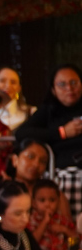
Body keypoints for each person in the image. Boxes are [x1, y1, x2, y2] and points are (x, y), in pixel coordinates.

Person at [15, 64, 82, 216]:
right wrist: (62, 132)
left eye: (74, 83)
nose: (69, 88)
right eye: (62, 84)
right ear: (53, 89)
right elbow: (21, 133)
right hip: (61, 175)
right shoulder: (49, 110)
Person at [0, 66, 36, 131]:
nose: (8, 86)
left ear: (19, 88)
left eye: (13, 82)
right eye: (2, 81)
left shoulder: (31, 113)